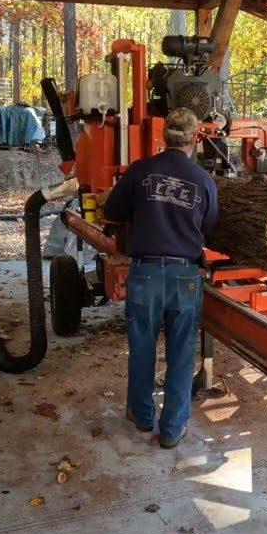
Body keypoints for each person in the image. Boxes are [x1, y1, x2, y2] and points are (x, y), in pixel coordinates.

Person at [103, 107, 218, 449]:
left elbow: (112, 211)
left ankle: (141, 416)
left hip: (146, 273)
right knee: (181, 354)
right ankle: (171, 430)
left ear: (163, 136)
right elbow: (209, 228)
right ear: (195, 138)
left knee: (142, 347)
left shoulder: (141, 171)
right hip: (185, 276)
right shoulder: (203, 180)